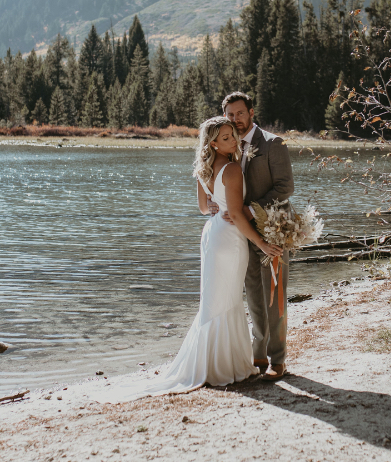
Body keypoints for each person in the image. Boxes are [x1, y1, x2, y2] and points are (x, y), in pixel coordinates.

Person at [98, 116, 281, 402]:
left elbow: (202, 208)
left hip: (211, 235)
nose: (233, 141)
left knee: (213, 300)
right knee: (229, 299)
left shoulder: (203, 169)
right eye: (225, 138)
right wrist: (261, 242)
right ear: (212, 143)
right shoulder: (232, 169)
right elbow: (235, 214)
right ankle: (225, 367)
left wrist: (216, 206)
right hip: (229, 241)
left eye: (232, 135)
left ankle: (212, 364)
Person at [219, 91, 294, 381]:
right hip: (240, 233)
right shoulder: (227, 146)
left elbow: (285, 188)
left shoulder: (273, 143)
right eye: (230, 114)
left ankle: (279, 360)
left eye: (239, 113)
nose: (235, 119)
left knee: (274, 295)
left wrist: (252, 209)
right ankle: (258, 356)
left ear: (251, 111)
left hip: (273, 228)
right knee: (252, 294)